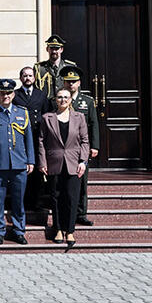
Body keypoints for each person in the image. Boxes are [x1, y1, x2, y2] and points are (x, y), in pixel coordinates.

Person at [0, 79, 35, 245]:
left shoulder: (22, 113)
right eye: (2, 93)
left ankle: (19, 230)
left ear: (13, 94)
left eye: (8, 93)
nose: (5, 96)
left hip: (19, 164)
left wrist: (31, 160)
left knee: (18, 200)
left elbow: (29, 140)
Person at [38, 87, 89, 248]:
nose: (63, 100)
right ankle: (58, 228)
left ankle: (70, 230)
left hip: (74, 163)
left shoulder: (79, 117)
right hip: (54, 162)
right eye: (60, 97)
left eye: (66, 97)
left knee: (72, 198)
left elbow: (85, 141)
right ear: (55, 99)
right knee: (56, 197)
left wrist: (83, 161)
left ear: (70, 100)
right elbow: (41, 142)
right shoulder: (47, 118)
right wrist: (42, 162)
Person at [60, 65, 100, 227]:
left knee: (82, 181)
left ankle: (81, 213)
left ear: (79, 83)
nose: (71, 84)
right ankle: (65, 212)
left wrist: (94, 146)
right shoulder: (58, 99)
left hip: (81, 148)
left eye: (74, 81)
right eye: (68, 81)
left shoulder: (87, 102)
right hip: (63, 148)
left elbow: (94, 124)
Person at [14, 66, 53, 212]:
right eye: (24, 76)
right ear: (20, 78)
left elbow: (46, 115)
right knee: (22, 170)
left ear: (34, 78)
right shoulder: (15, 95)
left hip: (37, 136)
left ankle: (36, 201)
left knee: (36, 171)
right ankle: (22, 202)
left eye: (30, 76)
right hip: (20, 137)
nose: (27, 78)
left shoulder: (41, 95)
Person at [33, 34, 77, 100]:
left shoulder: (70, 67)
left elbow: (76, 89)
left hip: (65, 104)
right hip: (46, 106)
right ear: (47, 49)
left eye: (56, 49)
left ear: (61, 49)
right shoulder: (39, 68)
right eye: (51, 48)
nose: (54, 51)